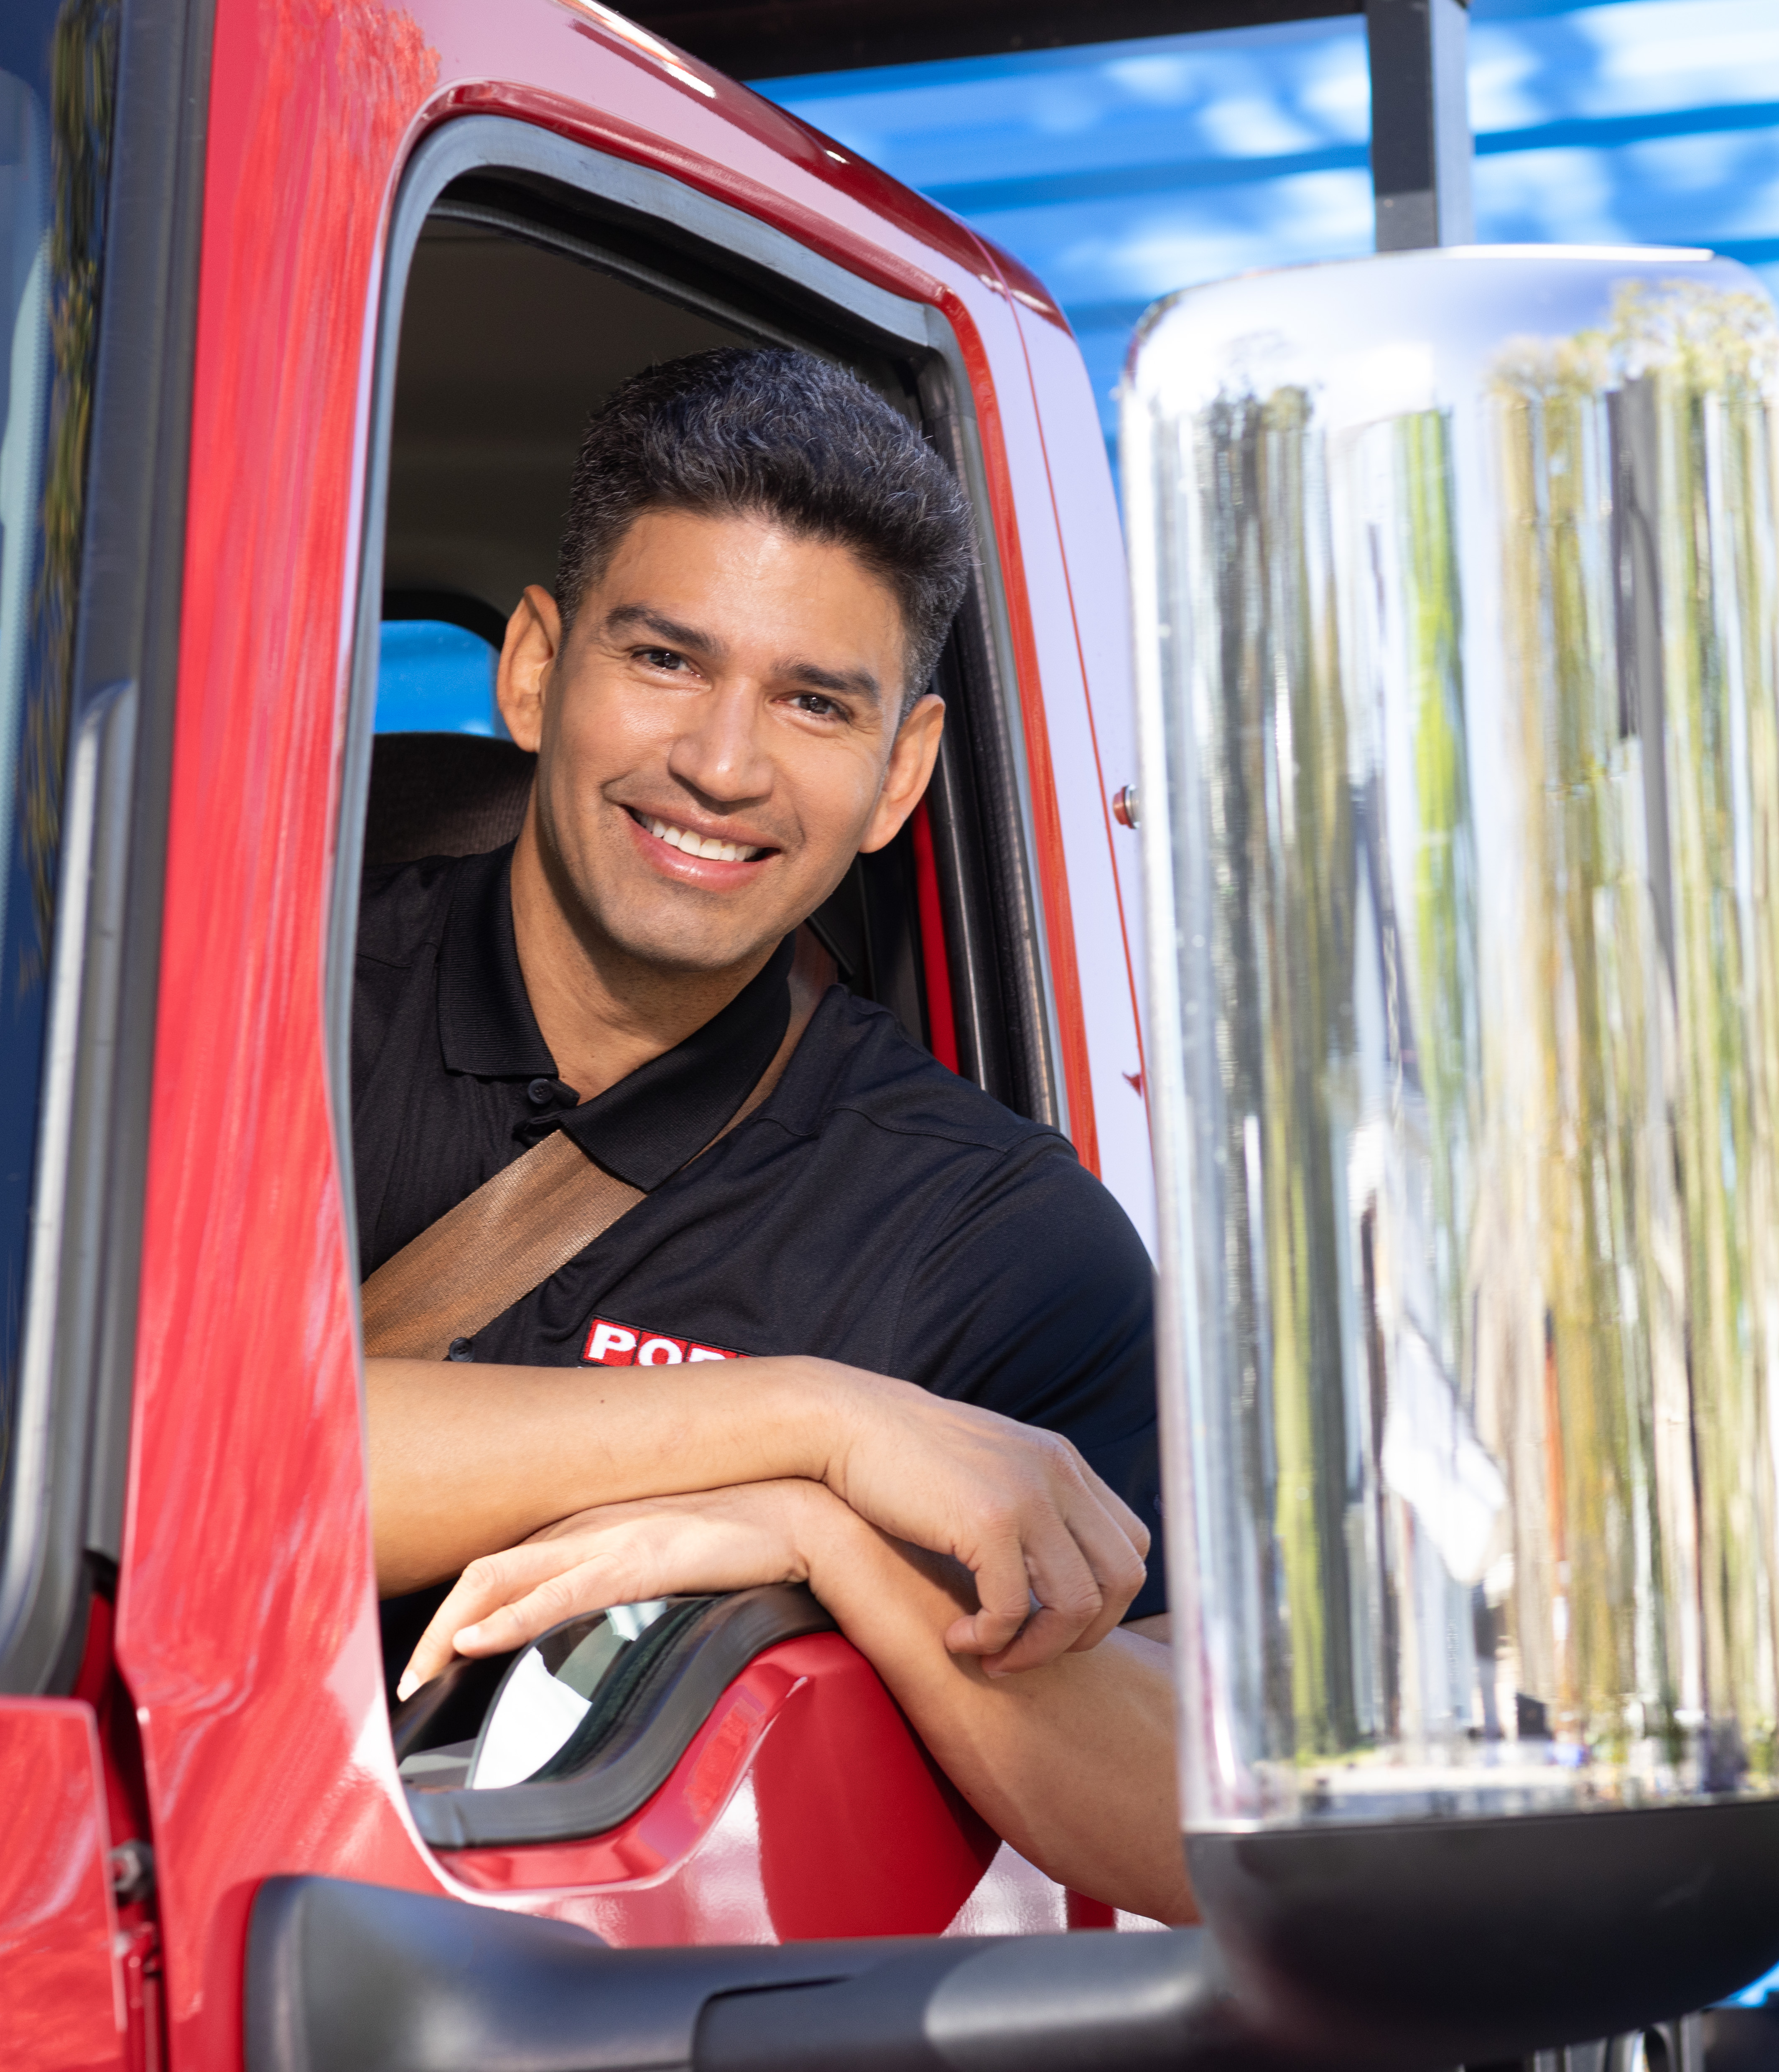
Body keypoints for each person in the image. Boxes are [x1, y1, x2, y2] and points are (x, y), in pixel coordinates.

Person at [349, 348, 1186, 1923]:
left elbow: (1197, 1831)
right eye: (667, 660)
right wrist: (817, 1422)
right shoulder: (266, 1015)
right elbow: (176, 1467)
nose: (723, 766)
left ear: (900, 777)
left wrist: (825, 1544)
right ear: (533, 671)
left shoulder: (996, 1243)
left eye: (814, 702)